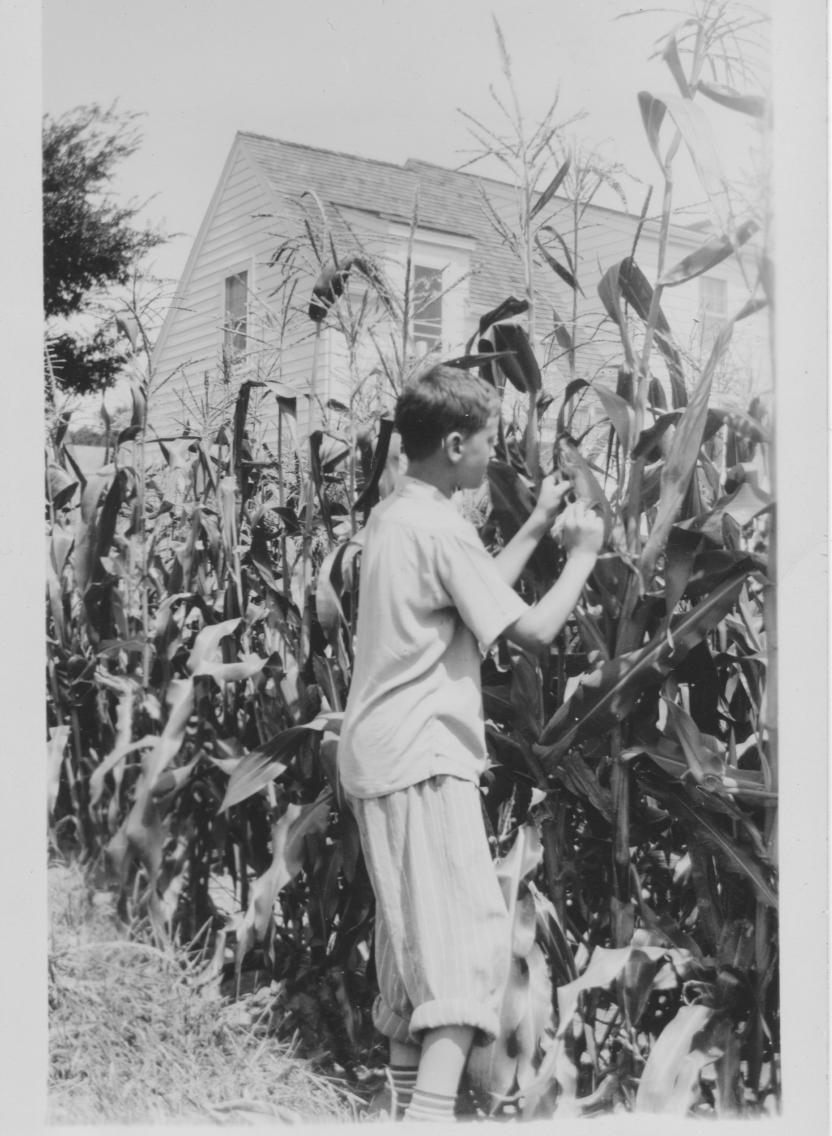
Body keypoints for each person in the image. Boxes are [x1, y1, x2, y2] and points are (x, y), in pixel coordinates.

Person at [338, 364, 604, 1122]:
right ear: (455, 444)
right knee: (463, 950)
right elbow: (532, 632)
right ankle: (428, 1119)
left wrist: (531, 523)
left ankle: (402, 1109)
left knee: (412, 950)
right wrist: (581, 553)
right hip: (424, 753)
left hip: (379, 752)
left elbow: (471, 596)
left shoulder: (398, 514)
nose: (498, 458)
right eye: (489, 443)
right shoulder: (441, 527)